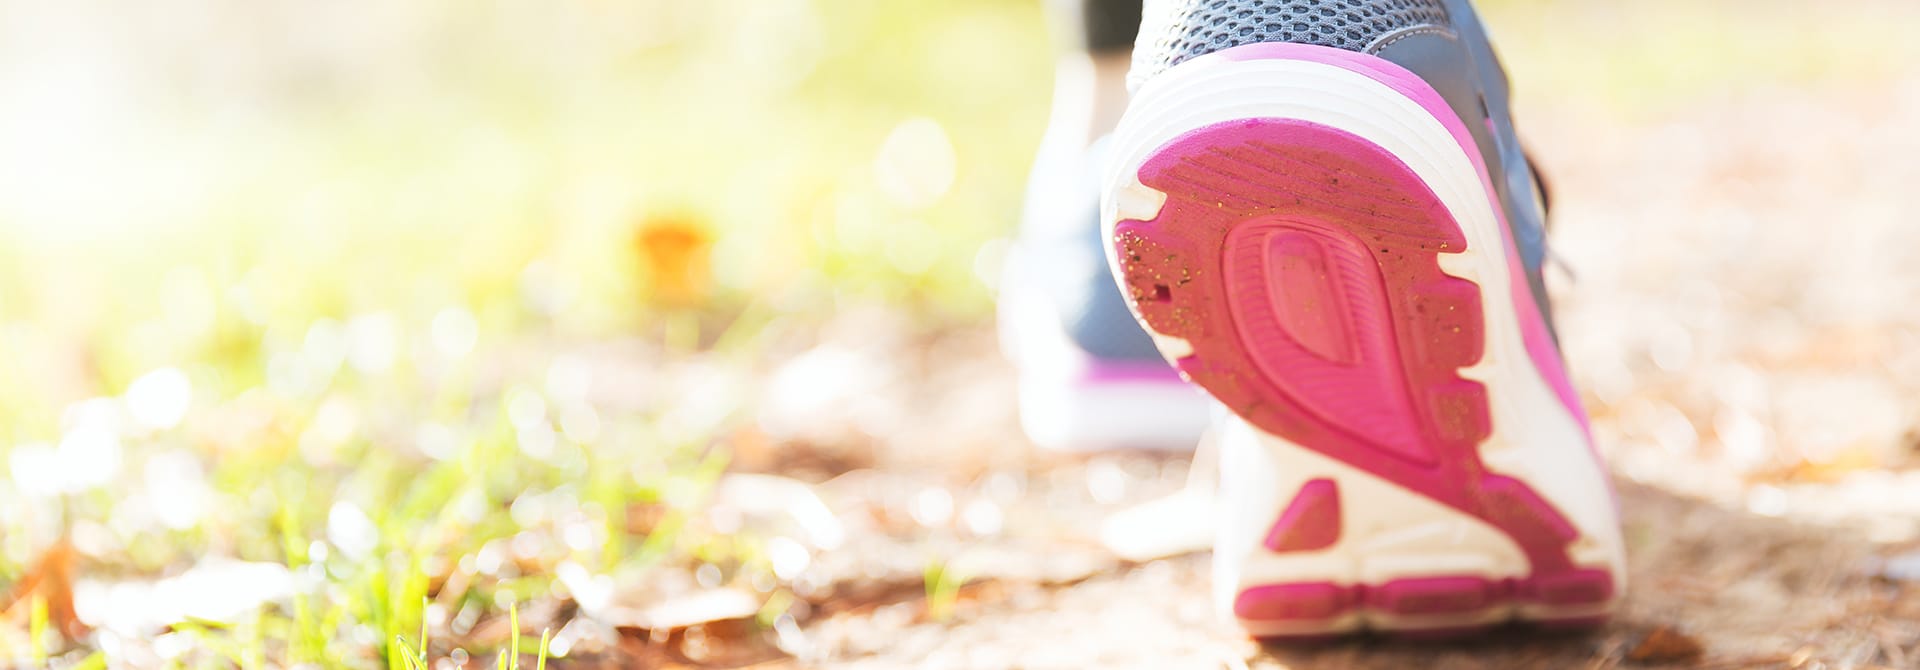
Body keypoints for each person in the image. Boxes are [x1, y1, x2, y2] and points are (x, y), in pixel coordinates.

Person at [999, 0, 1624, 639]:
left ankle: (1109, 130)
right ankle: (1383, 41)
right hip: (1373, 42)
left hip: (1175, 82)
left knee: (1111, 106)